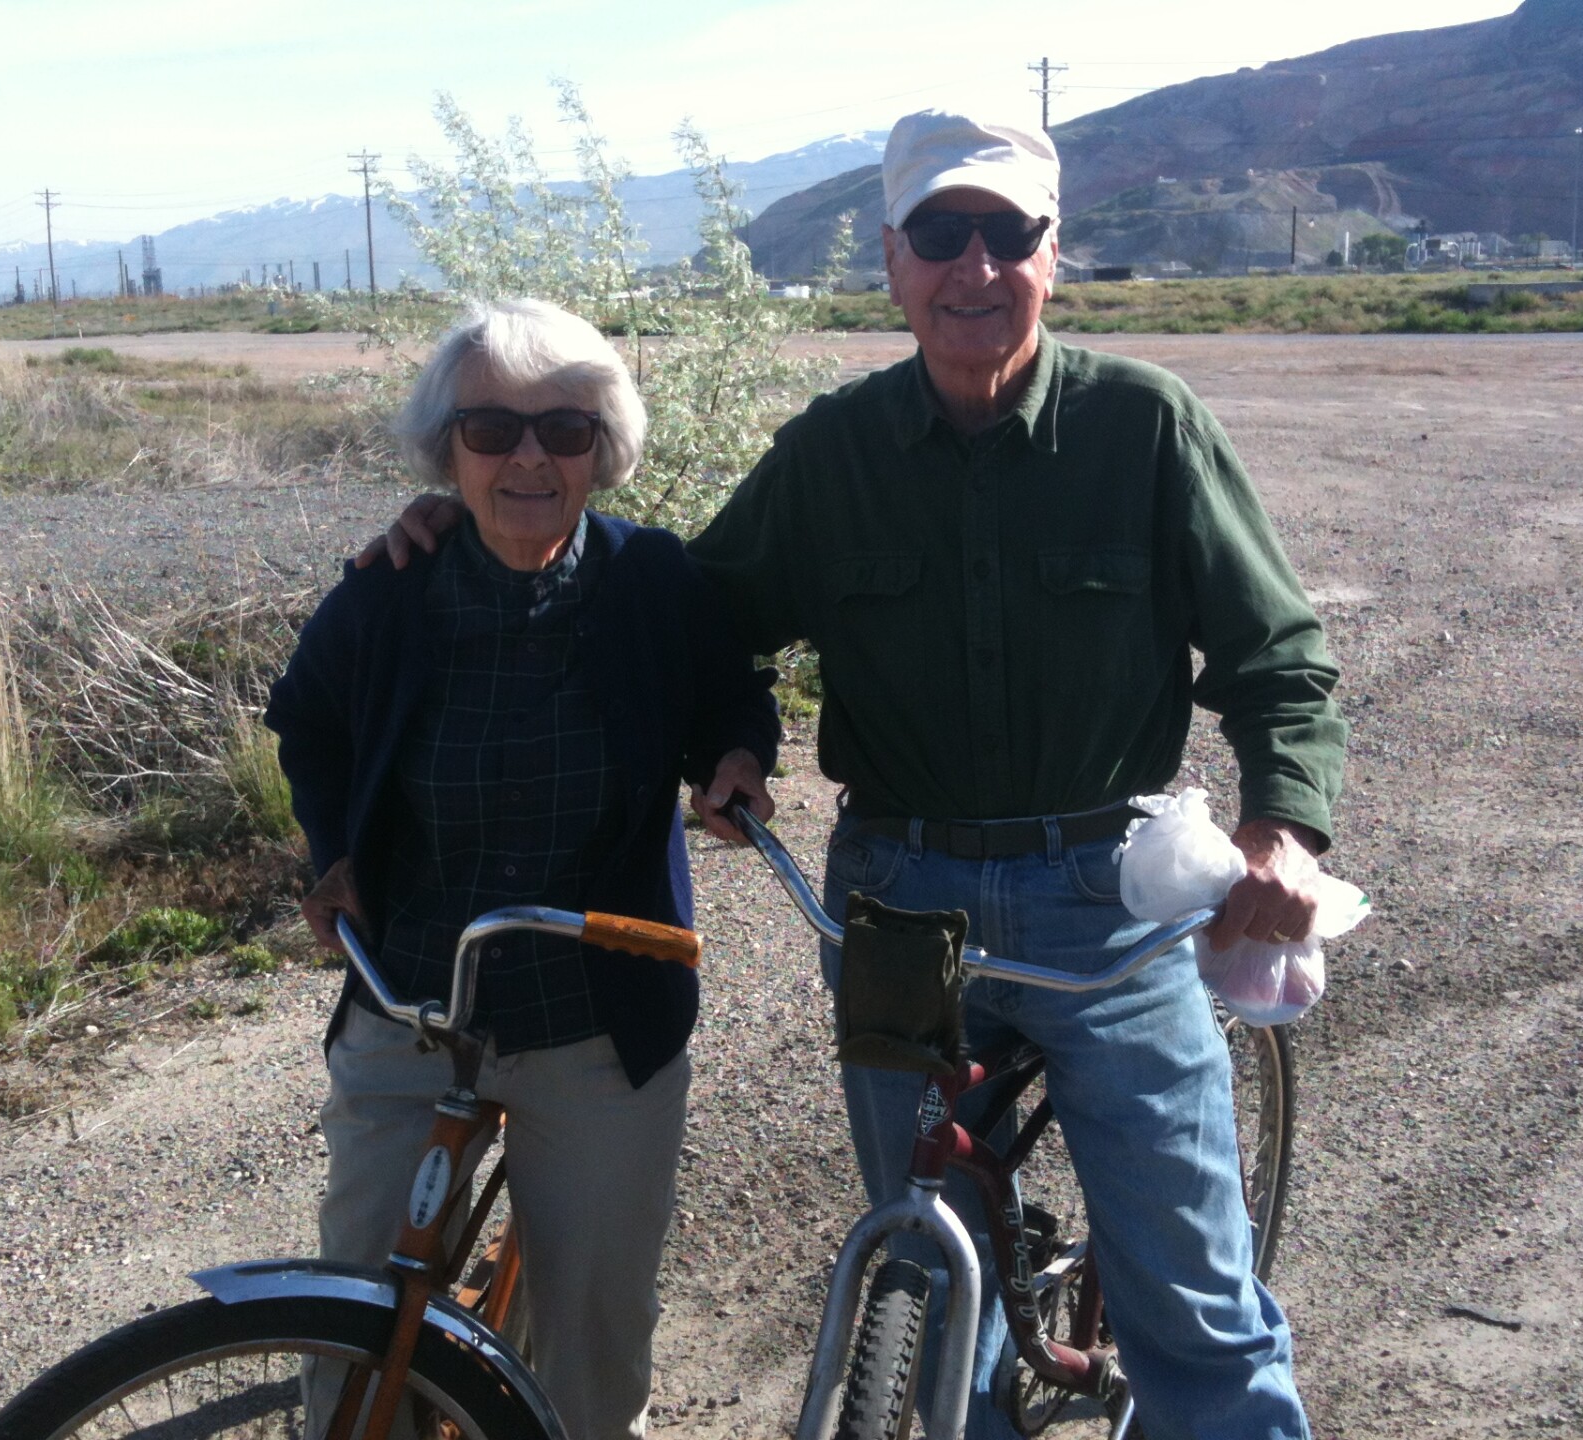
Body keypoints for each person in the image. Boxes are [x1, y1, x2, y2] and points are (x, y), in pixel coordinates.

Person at [365, 111, 1345, 1440]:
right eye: (941, 234)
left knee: (1192, 1302)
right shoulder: (835, 454)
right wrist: (476, 523)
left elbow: (1277, 652)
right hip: (899, 911)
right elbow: (685, 616)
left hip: (1110, 906)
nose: (974, 267)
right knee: (931, 1286)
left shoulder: (1146, 428)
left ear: (1053, 253)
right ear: (893, 259)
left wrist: (1283, 830)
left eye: (1007, 234)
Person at [266, 296, 780, 1440]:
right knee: (355, 1332)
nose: (530, 458)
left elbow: (730, 694)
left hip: (599, 1020)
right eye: (492, 430)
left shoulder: (654, 580)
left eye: (566, 429)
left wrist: (740, 759)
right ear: (448, 452)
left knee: (592, 1355)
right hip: (410, 998)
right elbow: (308, 720)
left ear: (605, 448)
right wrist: (333, 850)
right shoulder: (391, 588)